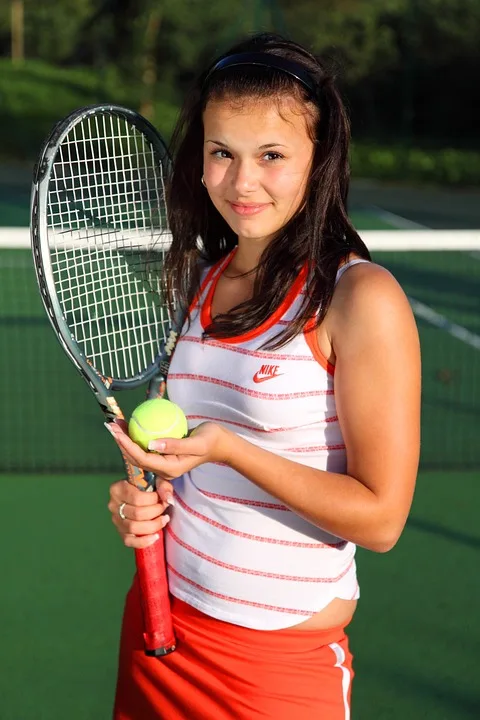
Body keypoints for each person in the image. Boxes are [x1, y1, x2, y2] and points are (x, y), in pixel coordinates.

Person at [107, 32, 421, 720]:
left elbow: (382, 518)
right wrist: (145, 500)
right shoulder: (201, 282)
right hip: (161, 628)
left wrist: (229, 448)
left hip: (272, 673)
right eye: (222, 153)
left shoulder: (360, 298)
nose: (242, 182)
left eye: (272, 155)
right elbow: (190, 467)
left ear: (320, 160)